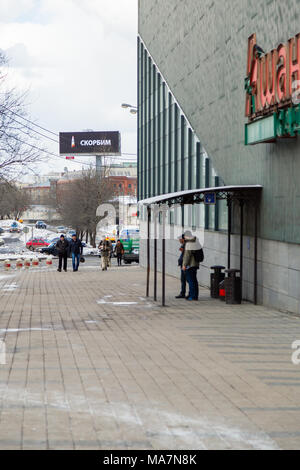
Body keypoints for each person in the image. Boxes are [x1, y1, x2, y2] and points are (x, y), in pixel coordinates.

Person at [182, 230, 202, 301]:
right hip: (195, 264)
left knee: (191, 281)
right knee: (194, 280)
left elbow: (187, 256)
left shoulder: (189, 243)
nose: (184, 238)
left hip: (190, 265)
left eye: (184, 236)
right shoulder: (196, 242)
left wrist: (184, 265)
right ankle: (193, 295)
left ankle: (193, 296)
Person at [175, 234, 188, 299]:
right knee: (183, 280)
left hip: (185, 265)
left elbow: (186, 255)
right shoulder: (184, 245)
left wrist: (184, 265)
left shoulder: (186, 245)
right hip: (183, 264)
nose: (179, 240)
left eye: (180, 239)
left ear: (183, 239)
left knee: (187, 280)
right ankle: (182, 293)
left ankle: (188, 293)